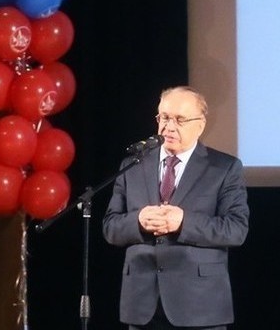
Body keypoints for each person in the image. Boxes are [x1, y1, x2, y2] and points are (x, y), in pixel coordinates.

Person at [103, 86, 250, 330]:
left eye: (180, 120)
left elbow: (236, 229)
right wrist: (138, 221)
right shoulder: (133, 165)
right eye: (164, 117)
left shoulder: (224, 168)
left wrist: (184, 223)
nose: (169, 127)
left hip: (199, 306)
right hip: (142, 307)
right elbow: (111, 227)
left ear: (200, 125)